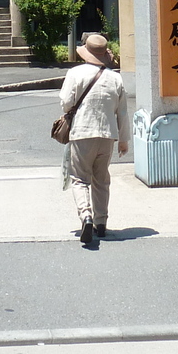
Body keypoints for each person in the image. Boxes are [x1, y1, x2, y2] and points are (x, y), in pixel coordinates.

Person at [59, 32, 129, 247]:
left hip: (82, 132)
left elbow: (65, 102)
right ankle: (101, 223)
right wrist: (124, 140)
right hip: (108, 135)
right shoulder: (115, 77)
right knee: (102, 179)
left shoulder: (75, 73)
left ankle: (86, 215)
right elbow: (123, 112)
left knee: (80, 178)